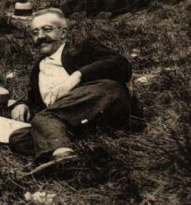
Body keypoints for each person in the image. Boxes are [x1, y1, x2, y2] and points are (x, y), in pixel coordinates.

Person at [8, 9, 139, 172]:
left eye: (47, 29)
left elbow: (121, 64)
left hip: (101, 101)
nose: (40, 36)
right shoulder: (37, 69)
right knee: (18, 138)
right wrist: (21, 104)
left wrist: (78, 76)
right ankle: (75, 148)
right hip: (70, 119)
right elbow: (35, 99)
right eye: (35, 32)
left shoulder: (82, 48)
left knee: (45, 118)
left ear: (63, 33)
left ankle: (64, 158)